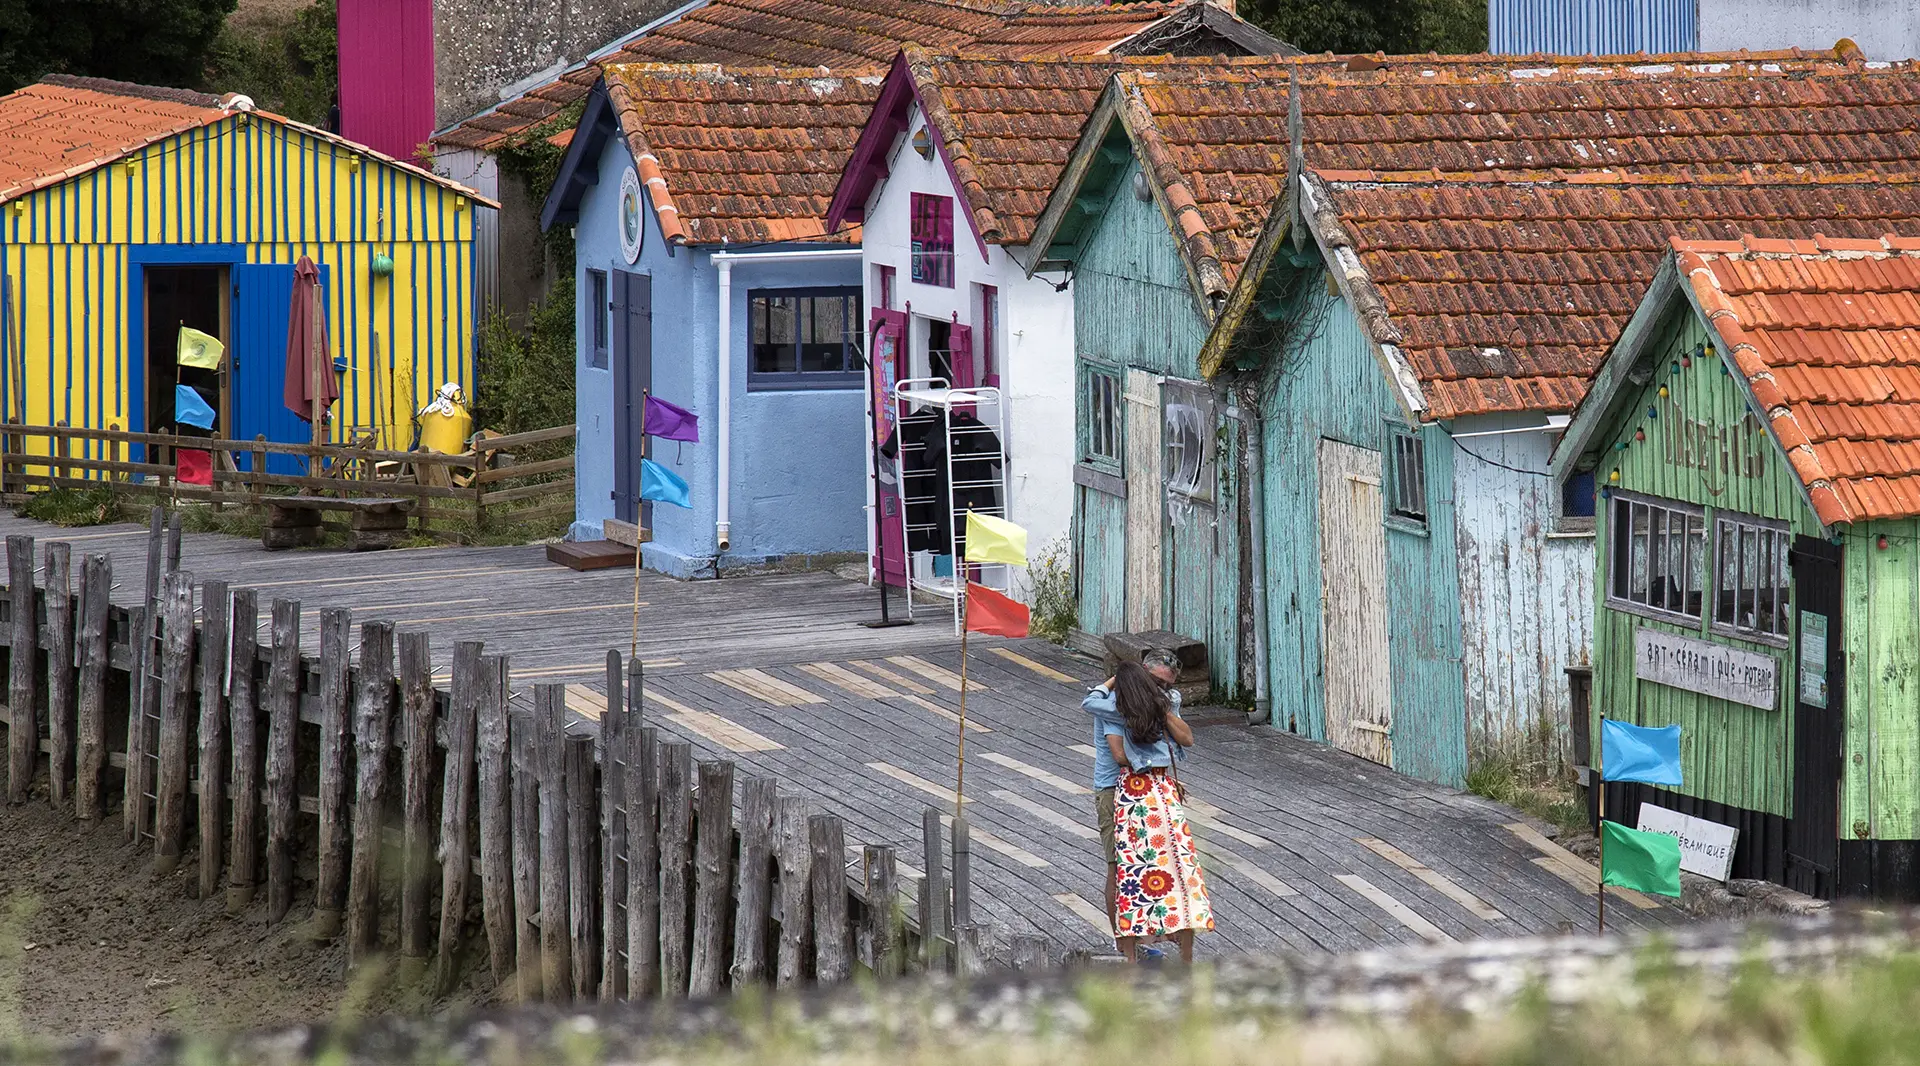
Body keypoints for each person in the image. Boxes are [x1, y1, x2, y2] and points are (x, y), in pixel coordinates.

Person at [1103, 660, 1212, 962]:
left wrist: (1159, 707)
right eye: (1154, 682)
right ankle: (1143, 948)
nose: (1160, 689)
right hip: (1143, 789)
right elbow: (1118, 753)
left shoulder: (1159, 707)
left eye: (1166, 685)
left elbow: (1187, 738)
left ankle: (1153, 945)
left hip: (1145, 790)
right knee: (1142, 869)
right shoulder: (1115, 707)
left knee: (1157, 868)